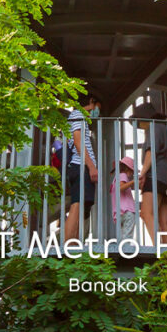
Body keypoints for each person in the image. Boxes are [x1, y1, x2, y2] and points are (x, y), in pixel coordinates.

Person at [133, 101, 167, 247]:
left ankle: (156, 247)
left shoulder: (153, 127)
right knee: (165, 219)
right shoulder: (164, 128)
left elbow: (151, 152)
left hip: (155, 175)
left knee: (145, 213)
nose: (137, 125)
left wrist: (142, 173)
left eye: (138, 121)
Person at [63, 92, 101, 241]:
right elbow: (78, 142)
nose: (97, 111)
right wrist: (91, 166)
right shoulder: (78, 114)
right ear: (91, 101)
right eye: (97, 107)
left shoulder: (79, 118)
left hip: (80, 166)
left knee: (81, 207)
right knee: (77, 204)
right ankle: (67, 245)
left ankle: (73, 243)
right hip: (80, 166)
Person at [110, 156, 137, 240]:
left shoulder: (115, 179)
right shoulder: (123, 175)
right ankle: (126, 251)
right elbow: (120, 188)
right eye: (132, 171)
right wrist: (133, 181)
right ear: (127, 168)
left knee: (122, 237)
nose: (132, 174)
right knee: (127, 237)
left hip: (118, 213)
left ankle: (122, 250)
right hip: (127, 211)